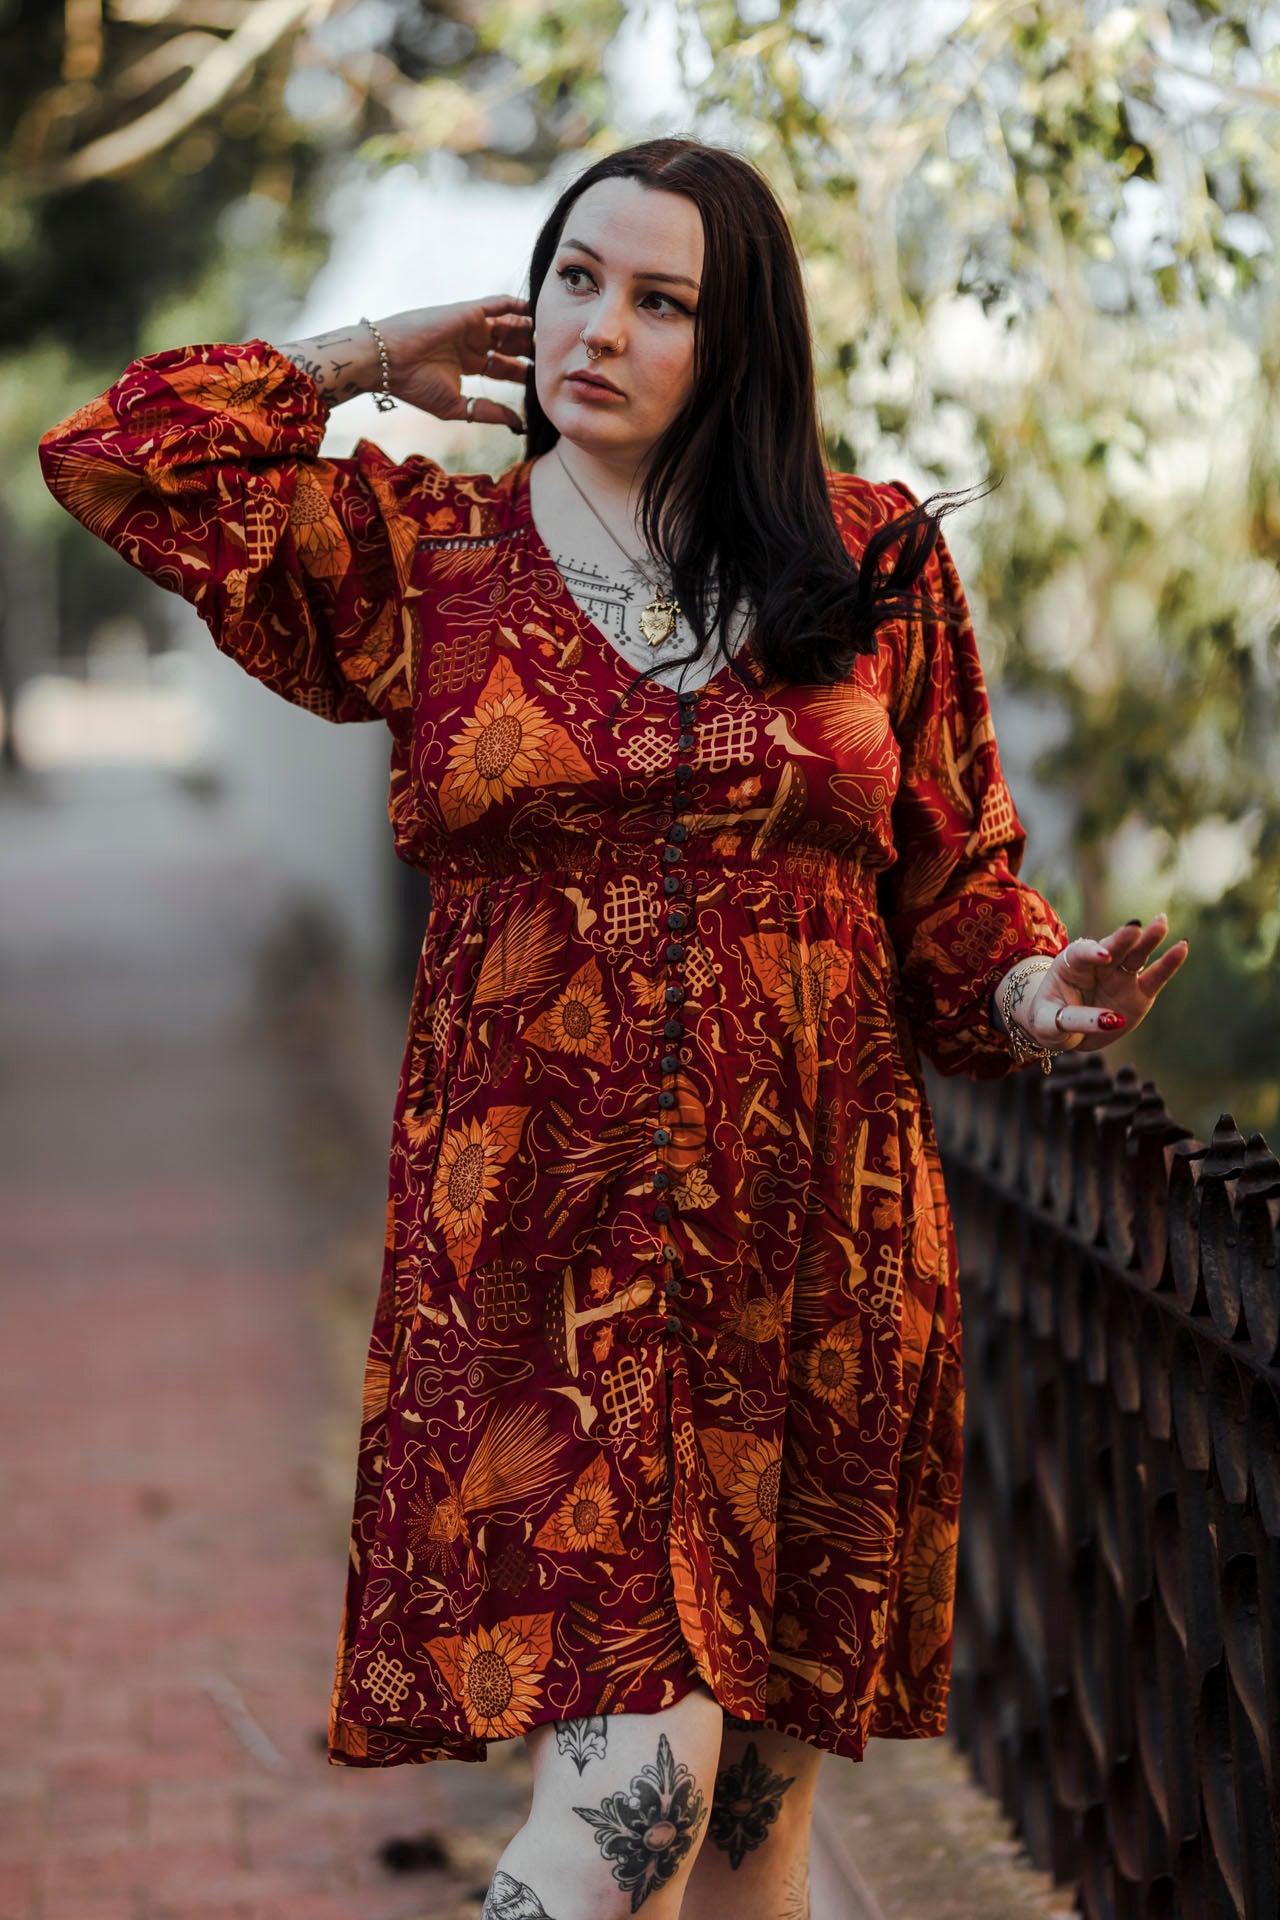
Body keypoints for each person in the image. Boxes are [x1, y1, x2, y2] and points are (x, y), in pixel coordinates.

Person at [40, 136, 1187, 1920]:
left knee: (752, 1835)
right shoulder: (432, 557)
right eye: (577, 279)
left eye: (664, 303)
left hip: (813, 1264)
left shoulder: (865, 556)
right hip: (535, 1269)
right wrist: (361, 360)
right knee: (618, 1816)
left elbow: (962, 911)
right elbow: (118, 462)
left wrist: (1058, 992)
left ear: (741, 348)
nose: (602, 329)